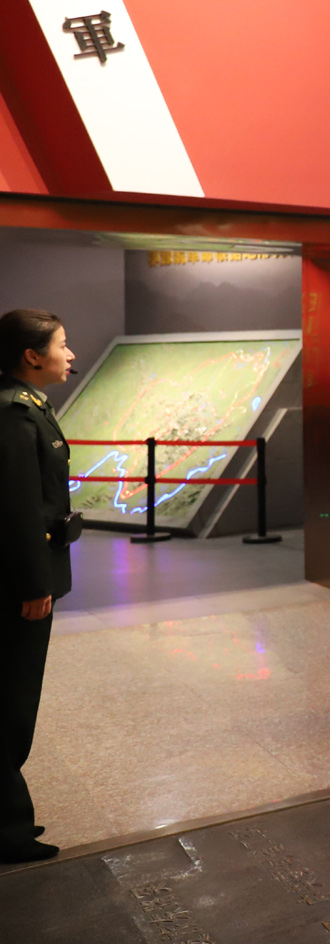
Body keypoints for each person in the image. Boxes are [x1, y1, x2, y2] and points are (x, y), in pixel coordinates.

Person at [0, 310, 76, 864]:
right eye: (62, 345)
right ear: (32, 356)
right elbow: (19, 509)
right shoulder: (13, 414)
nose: (70, 355)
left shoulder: (29, 405)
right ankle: (7, 831)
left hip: (28, 575)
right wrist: (33, 583)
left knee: (15, 702)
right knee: (11, 702)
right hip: (19, 585)